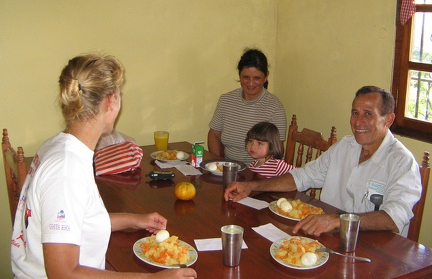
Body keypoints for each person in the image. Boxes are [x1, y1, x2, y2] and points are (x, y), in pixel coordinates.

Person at [11, 54, 197, 278]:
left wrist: (135, 219)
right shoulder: (66, 171)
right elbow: (62, 273)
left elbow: (79, 220)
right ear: (111, 101)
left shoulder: (60, 145)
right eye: (119, 94)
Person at [224, 86, 422, 238]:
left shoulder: (402, 162)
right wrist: (252, 186)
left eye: (368, 114)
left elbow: (394, 217)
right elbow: (302, 176)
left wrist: (339, 221)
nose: (358, 122)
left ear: (388, 120)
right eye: (355, 113)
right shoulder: (345, 146)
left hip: (375, 249)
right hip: (328, 237)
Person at [208, 48, 287, 164]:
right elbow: (214, 134)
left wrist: (258, 172)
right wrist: (217, 163)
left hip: (258, 172)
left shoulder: (274, 107)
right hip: (228, 168)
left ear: (266, 77)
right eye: (246, 77)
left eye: (256, 78)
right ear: (239, 75)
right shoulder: (226, 100)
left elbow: (277, 150)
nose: (250, 83)